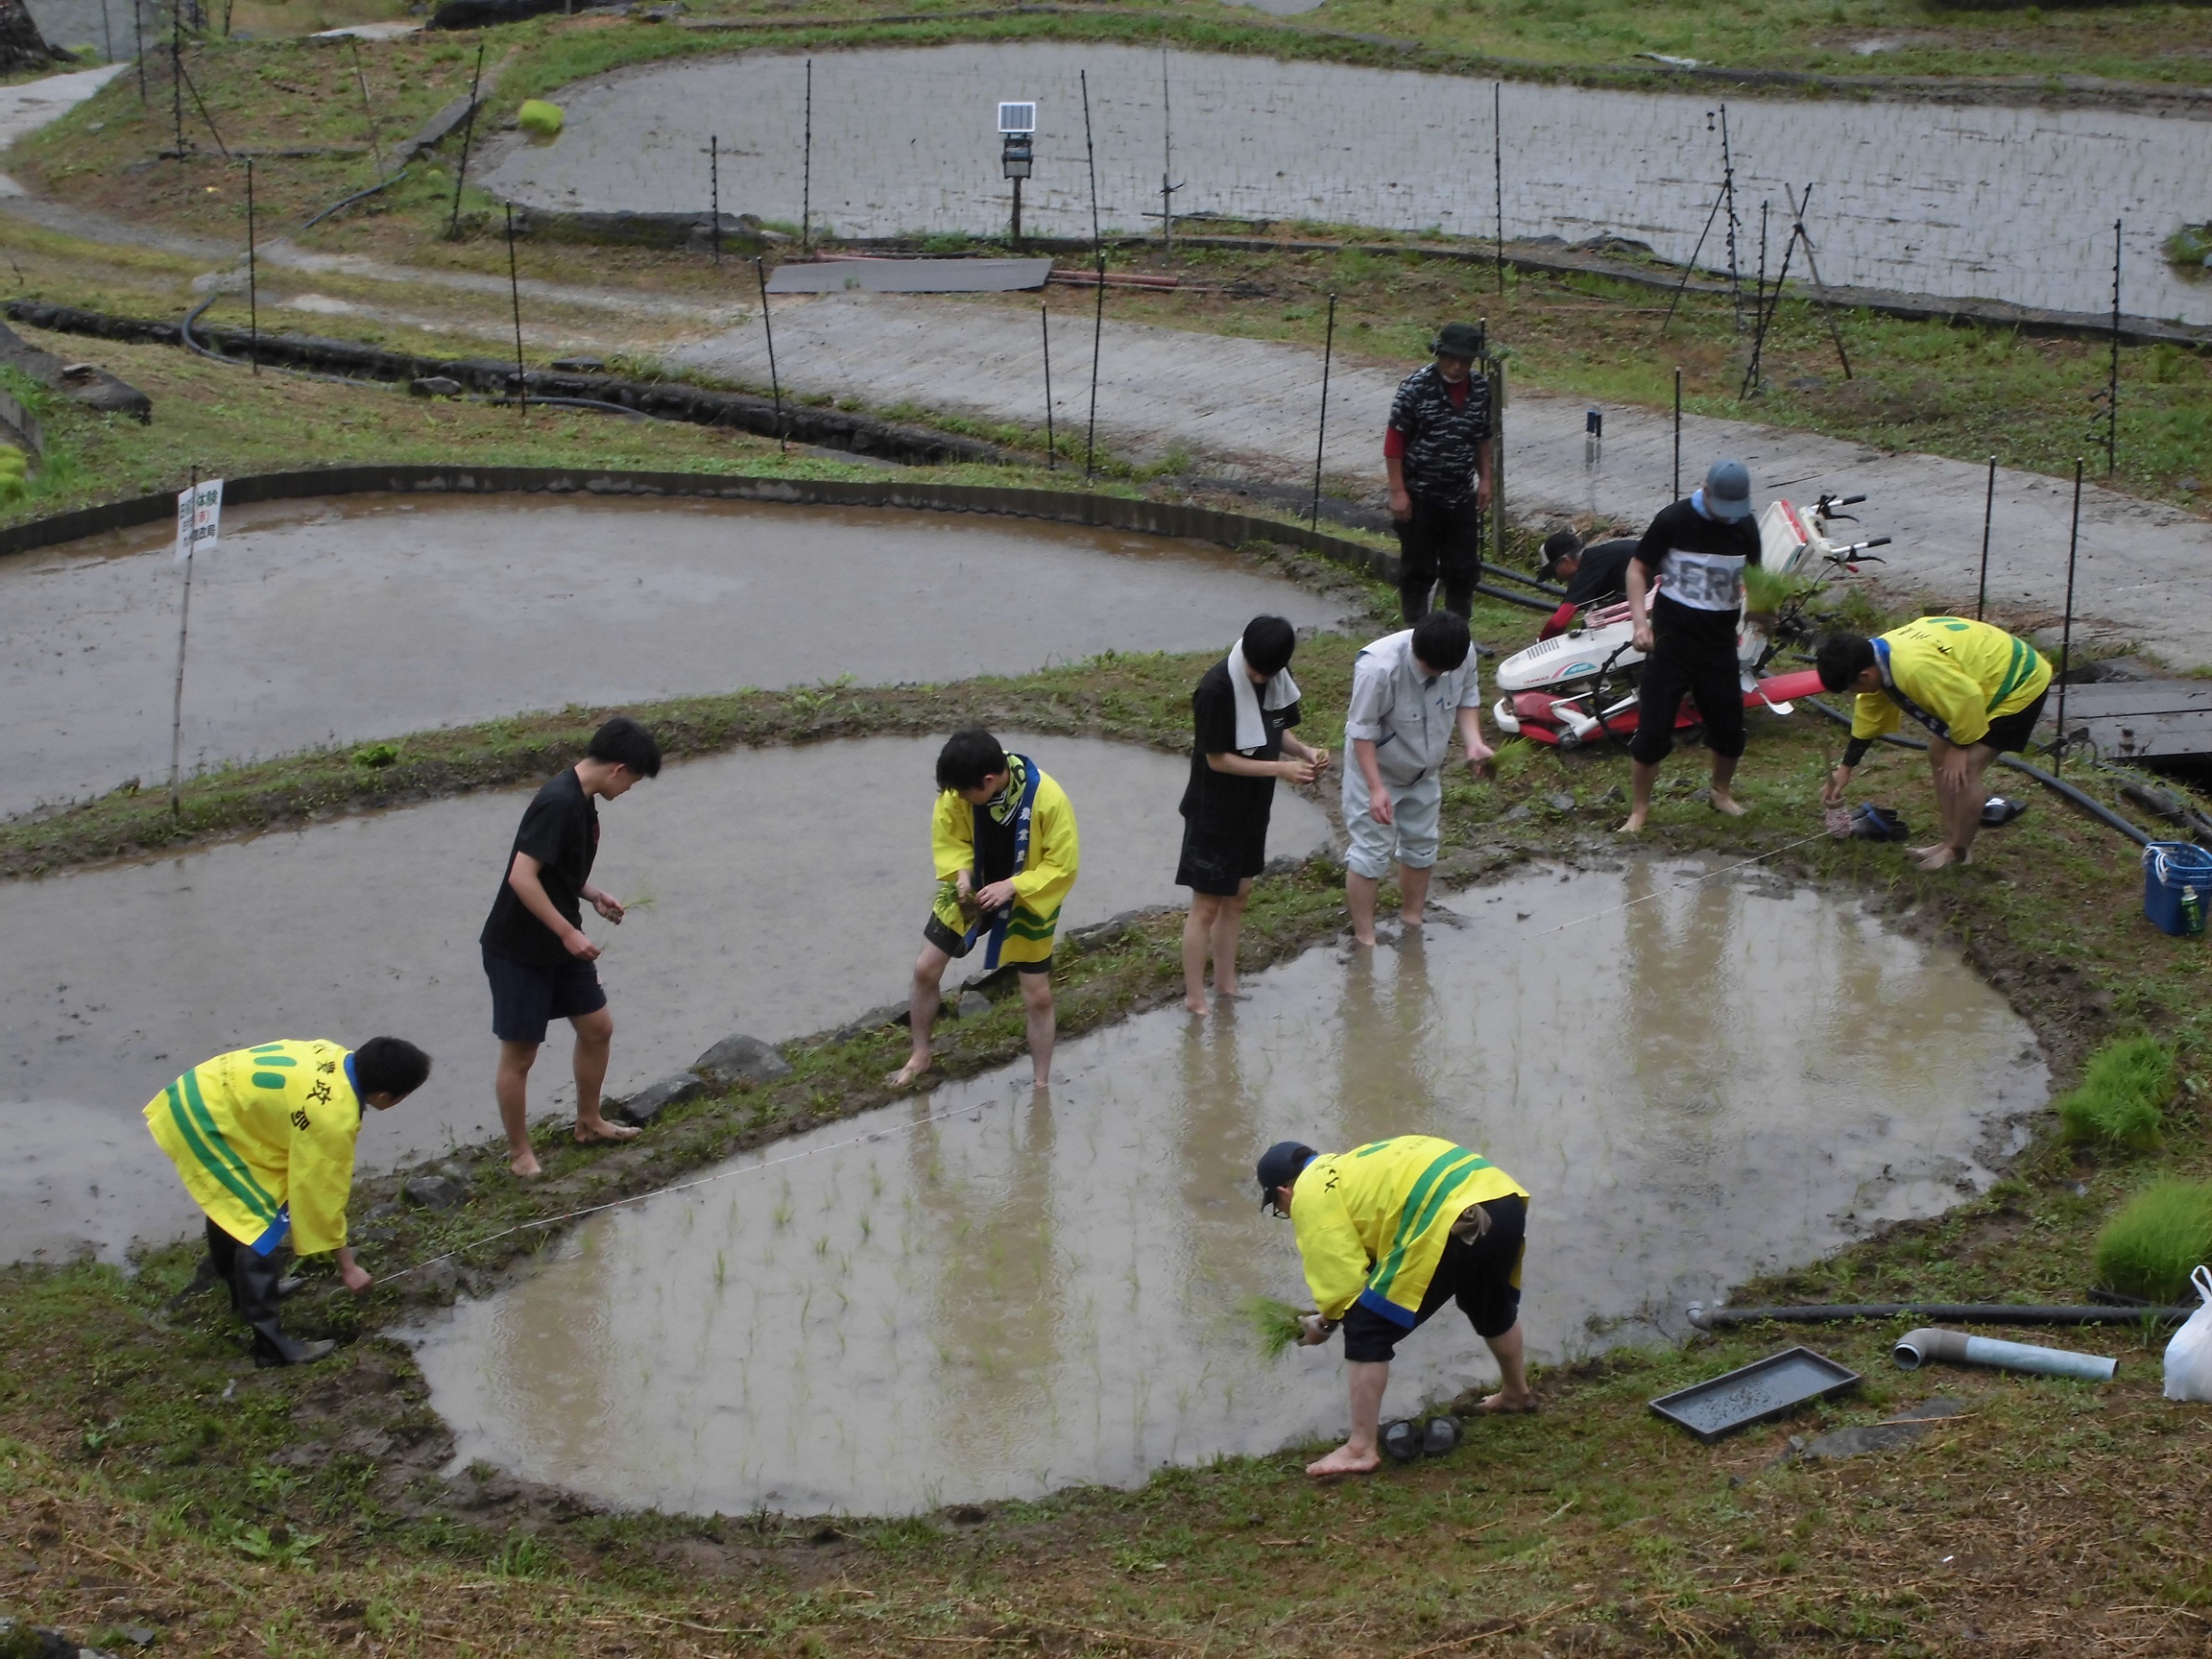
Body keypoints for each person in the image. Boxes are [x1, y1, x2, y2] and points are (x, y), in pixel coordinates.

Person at [1258, 1135, 1535, 1478]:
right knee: (1485, 1303)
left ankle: (1359, 1449)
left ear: (1283, 1194)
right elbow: (1373, 1258)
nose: (1285, 1211)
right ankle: (1516, 1394)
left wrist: (1324, 1325)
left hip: (1450, 1214)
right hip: (1500, 1196)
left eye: (1278, 1208)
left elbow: (1342, 1287)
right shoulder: (1351, 1166)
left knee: (1367, 1328)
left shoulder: (1311, 1194)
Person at [145, 1036, 432, 1366]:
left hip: (203, 1092)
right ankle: (271, 1347)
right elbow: (321, 1197)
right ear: (385, 1096)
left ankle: (242, 1290)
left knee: (238, 1204)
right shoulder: (333, 1119)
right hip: (203, 1120)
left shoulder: (332, 1053)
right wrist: (348, 1267)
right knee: (259, 1222)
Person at [480, 715, 661, 1178]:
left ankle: (589, 1121)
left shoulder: (583, 801)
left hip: (562, 938)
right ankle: (520, 1154)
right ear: (618, 769)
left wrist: (592, 894)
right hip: (520, 947)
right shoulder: (558, 801)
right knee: (520, 1055)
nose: (631, 789)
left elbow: (556, 869)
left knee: (597, 1027)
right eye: (635, 780)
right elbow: (521, 878)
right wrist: (566, 931)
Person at [891, 729, 1079, 1091]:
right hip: (971, 891)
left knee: (1038, 995)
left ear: (989, 781)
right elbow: (951, 836)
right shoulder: (961, 785)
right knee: (925, 968)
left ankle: (1041, 1083)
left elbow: (1063, 865)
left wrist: (1013, 885)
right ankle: (920, 1055)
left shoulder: (1048, 798)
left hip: (1028, 894)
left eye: (964, 793)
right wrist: (962, 877)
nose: (958, 797)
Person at [1179, 616, 1331, 1015]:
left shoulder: (1275, 675)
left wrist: (1304, 752)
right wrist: (1280, 769)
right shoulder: (1215, 689)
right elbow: (1217, 759)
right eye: (1256, 670)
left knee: (1239, 897)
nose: (1260, 677)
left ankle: (1226, 985)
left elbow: (1275, 728)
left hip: (1252, 807)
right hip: (1213, 810)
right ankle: (1195, 998)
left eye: (1268, 672)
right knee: (1207, 906)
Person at [1816, 619, 2052, 869]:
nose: (1853, 694)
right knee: (1938, 753)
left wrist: (1960, 748)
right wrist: (1846, 768)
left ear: (1864, 676)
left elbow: (1968, 697)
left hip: (2019, 680)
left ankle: (1959, 852)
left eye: (1851, 688)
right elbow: (1868, 717)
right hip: (1980, 678)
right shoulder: (1878, 658)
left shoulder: (1914, 668)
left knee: (1967, 768)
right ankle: (1948, 841)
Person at [1619, 459, 1762, 832]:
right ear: (1706, 491)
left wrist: (1764, 612)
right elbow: (1637, 569)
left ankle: (1720, 792)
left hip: (1718, 644)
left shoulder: (1745, 525)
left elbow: (1757, 578)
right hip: (1671, 642)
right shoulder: (1674, 520)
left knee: (1729, 726)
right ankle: (1639, 810)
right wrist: (1639, 623)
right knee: (1653, 729)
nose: (1728, 518)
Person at [1341, 610, 1492, 947]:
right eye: (1431, 670)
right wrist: (1376, 788)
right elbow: (1361, 732)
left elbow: (1467, 697)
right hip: (1379, 770)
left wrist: (1474, 743)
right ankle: (1365, 938)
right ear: (1415, 651)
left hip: (1425, 770)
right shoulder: (1378, 669)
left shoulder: (1461, 652)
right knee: (1370, 853)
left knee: (1422, 845)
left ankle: (1412, 921)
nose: (1438, 676)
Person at [1385, 321, 1494, 625]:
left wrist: (1485, 479)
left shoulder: (1481, 389)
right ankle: (1415, 633)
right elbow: (1394, 442)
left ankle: (1456, 634)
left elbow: (1482, 437)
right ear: (1440, 355)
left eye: (1465, 361)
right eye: (1451, 359)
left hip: (1460, 495)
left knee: (1463, 570)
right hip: (1420, 495)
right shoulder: (1415, 388)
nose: (1457, 367)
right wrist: (1398, 491)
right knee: (1417, 571)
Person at [1534, 528, 1639, 639]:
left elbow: (1558, 622)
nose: (1558, 579)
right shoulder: (1601, 556)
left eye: (1554, 573)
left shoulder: (1586, 569)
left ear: (1566, 561)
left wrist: (1541, 644)